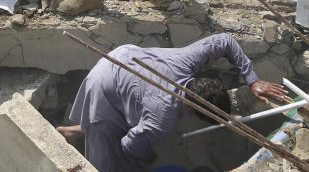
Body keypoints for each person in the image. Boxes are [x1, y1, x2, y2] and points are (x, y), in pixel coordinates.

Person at [57, 34, 291, 171]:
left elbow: (225, 40)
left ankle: (73, 132)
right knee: (106, 158)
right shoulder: (162, 119)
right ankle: (87, 139)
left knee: (130, 121)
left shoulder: (189, 60)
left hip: (126, 58)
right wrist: (138, 162)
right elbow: (129, 146)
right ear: (192, 109)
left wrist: (252, 79)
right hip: (106, 83)